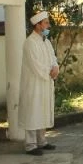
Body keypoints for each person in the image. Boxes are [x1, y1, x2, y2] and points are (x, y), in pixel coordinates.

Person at [18, 11, 59, 156]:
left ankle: (42, 141)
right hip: (34, 84)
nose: (48, 25)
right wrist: (49, 72)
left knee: (42, 110)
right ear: (38, 25)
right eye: (46, 23)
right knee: (33, 111)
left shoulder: (45, 41)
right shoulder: (30, 43)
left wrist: (55, 68)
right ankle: (30, 145)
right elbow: (35, 65)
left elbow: (53, 58)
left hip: (45, 83)